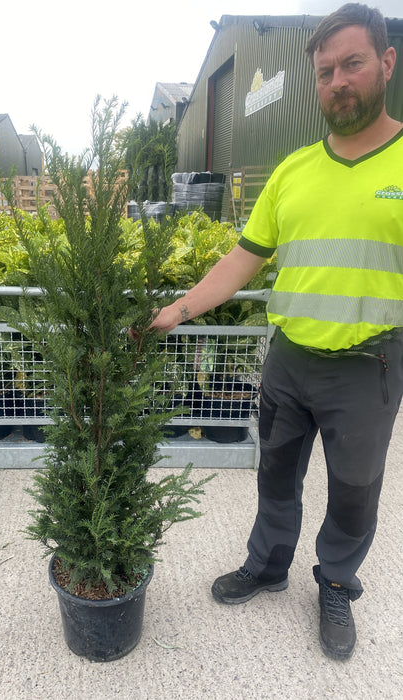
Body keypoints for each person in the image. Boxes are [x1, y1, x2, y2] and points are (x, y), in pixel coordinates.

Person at [150, 3, 403, 661]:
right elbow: (242, 258)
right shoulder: (291, 172)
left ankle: (336, 582)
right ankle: (266, 566)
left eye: (350, 64)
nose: (336, 83)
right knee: (275, 477)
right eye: (323, 72)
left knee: (353, 490)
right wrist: (179, 309)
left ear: (384, 62)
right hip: (288, 361)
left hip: (366, 365)